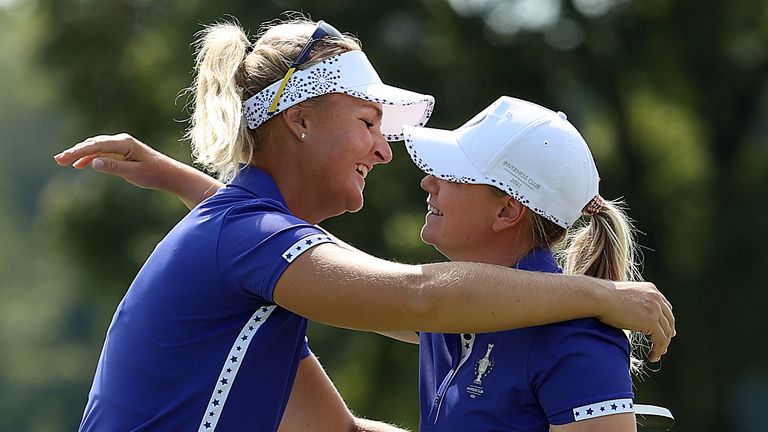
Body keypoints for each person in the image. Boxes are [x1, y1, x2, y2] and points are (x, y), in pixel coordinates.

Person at [53, 17, 674, 432]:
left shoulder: (247, 247)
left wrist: (176, 176)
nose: (386, 153)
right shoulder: (251, 241)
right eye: (367, 123)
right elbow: (419, 297)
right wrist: (601, 294)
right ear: (299, 121)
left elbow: (342, 430)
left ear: (512, 209)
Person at [401, 96, 645, 431]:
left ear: (507, 212)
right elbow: (346, 293)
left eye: (453, 174)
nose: (428, 182)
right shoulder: (442, 306)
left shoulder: (577, 339)